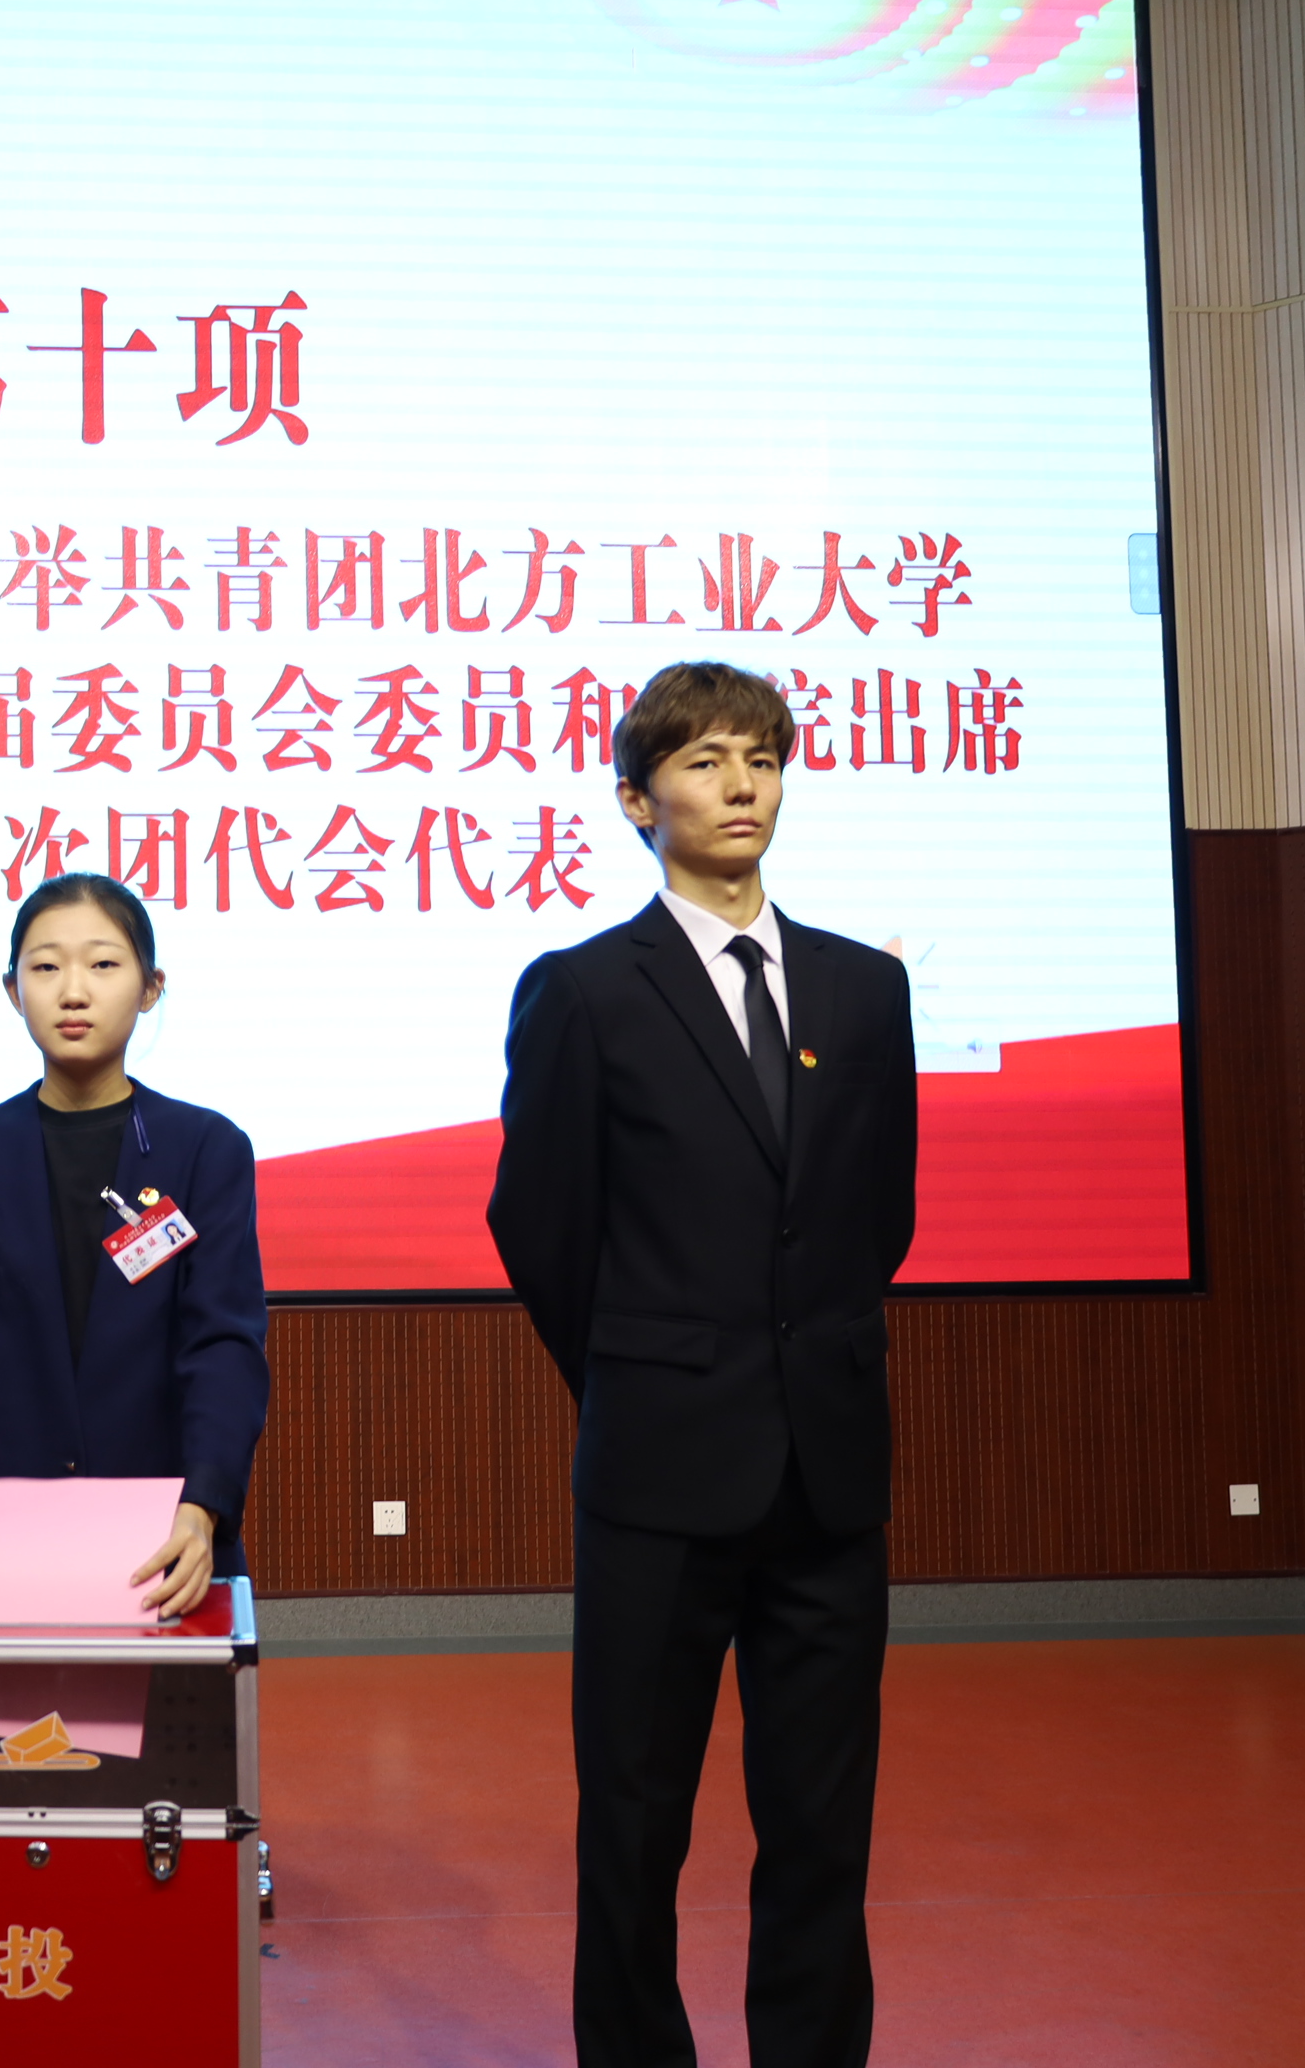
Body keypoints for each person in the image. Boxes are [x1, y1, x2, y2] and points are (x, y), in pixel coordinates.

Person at [488, 662, 917, 2068]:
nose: (740, 785)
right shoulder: (583, 992)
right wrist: (642, 1371)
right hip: (659, 1474)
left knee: (822, 1823)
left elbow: (877, 1214)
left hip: (827, 1475)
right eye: (703, 761)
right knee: (634, 1819)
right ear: (636, 801)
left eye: (761, 758)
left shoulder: (864, 989)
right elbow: (541, 1228)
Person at [0, 873, 268, 1620]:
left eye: (103, 963)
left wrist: (204, 1504)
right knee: (1, 1706)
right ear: (12, 990)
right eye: (45, 966)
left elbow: (224, 1343)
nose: (72, 991)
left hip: (165, 1533)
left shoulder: (207, 1149)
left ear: (150, 987)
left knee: (175, 1702)